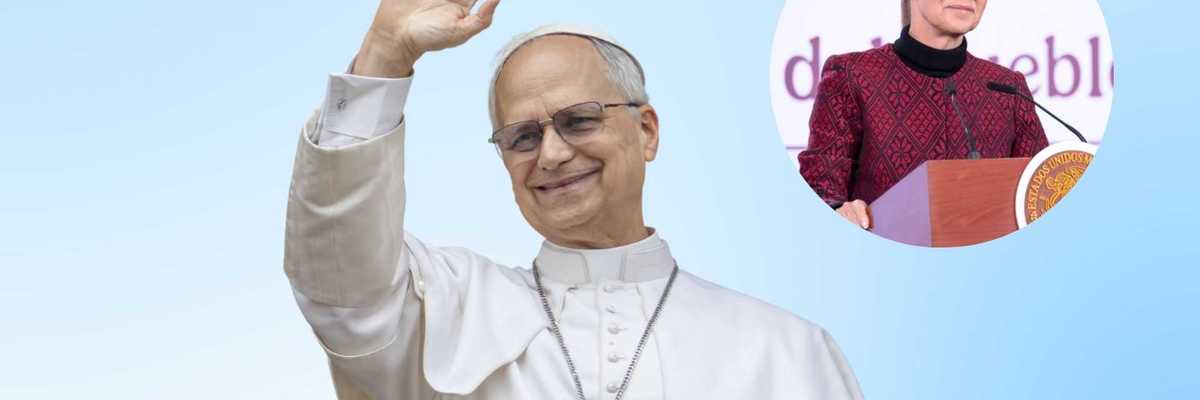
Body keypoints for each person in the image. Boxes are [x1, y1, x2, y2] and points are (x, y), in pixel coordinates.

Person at [284, 0, 864, 399]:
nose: (552, 155)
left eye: (578, 121)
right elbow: (339, 276)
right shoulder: (448, 304)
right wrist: (385, 54)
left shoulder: (786, 349)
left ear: (647, 131)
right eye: (523, 137)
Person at [799, 0, 1048, 229]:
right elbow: (820, 186)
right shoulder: (853, 76)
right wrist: (838, 211)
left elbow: (1041, 197)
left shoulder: (1008, 88)